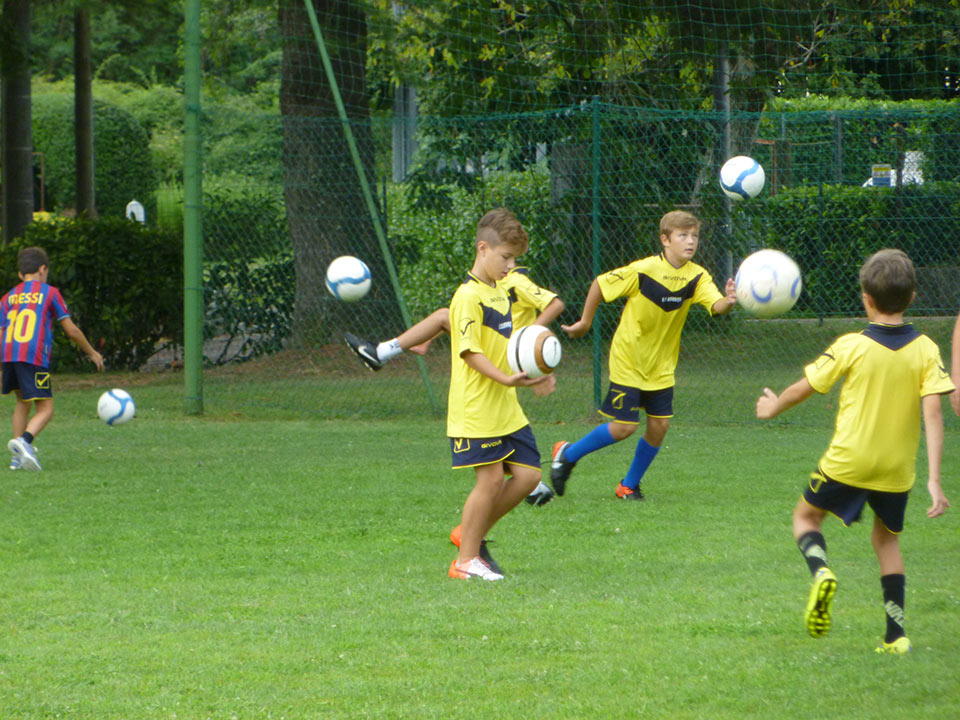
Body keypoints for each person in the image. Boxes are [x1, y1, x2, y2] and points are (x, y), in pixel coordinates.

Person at [756, 248, 952, 654]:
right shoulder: (926, 349)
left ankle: (821, 571)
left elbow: (806, 387)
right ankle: (896, 636)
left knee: (806, 517)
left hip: (848, 461)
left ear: (866, 299)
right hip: (897, 470)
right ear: (912, 297)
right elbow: (933, 413)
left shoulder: (851, 345)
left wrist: (773, 407)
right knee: (887, 542)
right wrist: (934, 479)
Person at [550, 210, 736, 500]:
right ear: (665, 240)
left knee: (659, 426)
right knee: (625, 427)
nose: (691, 241)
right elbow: (600, 283)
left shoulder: (697, 276)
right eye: (683, 235)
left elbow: (716, 306)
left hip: (661, 365)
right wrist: (585, 322)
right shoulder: (644, 270)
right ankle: (568, 454)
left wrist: (729, 300)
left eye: (695, 236)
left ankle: (628, 485)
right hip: (629, 357)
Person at [345, 266, 564, 507]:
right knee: (445, 318)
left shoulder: (515, 280)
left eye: (508, 256)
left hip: (505, 350)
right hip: (496, 347)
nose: (505, 261)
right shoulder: (488, 286)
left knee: (443, 317)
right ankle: (530, 485)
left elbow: (555, 304)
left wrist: (527, 340)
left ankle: (381, 352)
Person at [442, 207, 549, 580]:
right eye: (505, 257)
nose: (510, 265)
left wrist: (536, 373)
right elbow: (470, 352)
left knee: (529, 476)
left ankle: (469, 535)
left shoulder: (501, 292)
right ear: (483, 248)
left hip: (506, 407)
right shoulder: (467, 296)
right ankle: (465, 562)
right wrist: (505, 380)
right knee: (488, 481)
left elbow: (509, 347)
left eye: (514, 258)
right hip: (477, 409)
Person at [1, 246, 105, 470]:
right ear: (42, 269)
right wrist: (92, 352)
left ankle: (17, 459)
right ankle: (24, 441)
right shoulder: (50, 293)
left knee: (22, 401)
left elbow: (1, 332)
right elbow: (71, 330)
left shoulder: (8, 297)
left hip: (9, 354)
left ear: (20, 274)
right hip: (33, 356)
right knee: (46, 409)